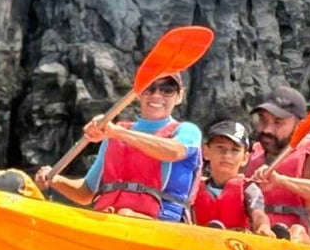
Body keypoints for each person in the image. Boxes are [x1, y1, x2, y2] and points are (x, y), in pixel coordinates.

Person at [34, 72, 201, 222]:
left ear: (179, 96)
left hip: (162, 226)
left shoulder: (186, 131)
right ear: (138, 93)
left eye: (167, 89)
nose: (157, 94)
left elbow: (174, 151)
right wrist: (55, 180)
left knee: (125, 214)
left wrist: (117, 133)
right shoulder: (113, 135)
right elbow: (86, 192)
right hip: (112, 221)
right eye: (149, 88)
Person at [247, 86, 310, 249]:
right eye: (263, 120)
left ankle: (290, 237)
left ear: (299, 125)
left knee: (297, 231)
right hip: (257, 244)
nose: (267, 130)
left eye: (278, 123)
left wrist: (281, 181)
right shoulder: (252, 154)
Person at [192, 119, 271, 234]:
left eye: (235, 150)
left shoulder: (248, 188)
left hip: (236, 243)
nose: (227, 155)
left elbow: (258, 213)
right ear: (206, 152)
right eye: (220, 147)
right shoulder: (194, 187)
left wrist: (263, 226)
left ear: (245, 158)